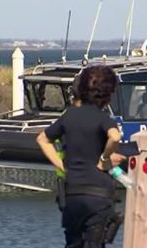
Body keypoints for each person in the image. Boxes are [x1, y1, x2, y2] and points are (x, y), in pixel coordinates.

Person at [36, 65, 123, 248]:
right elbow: (115, 136)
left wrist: (62, 165)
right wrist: (104, 158)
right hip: (98, 195)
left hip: (73, 193)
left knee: (73, 243)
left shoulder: (69, 116)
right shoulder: (102, 118)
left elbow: (43, 139)